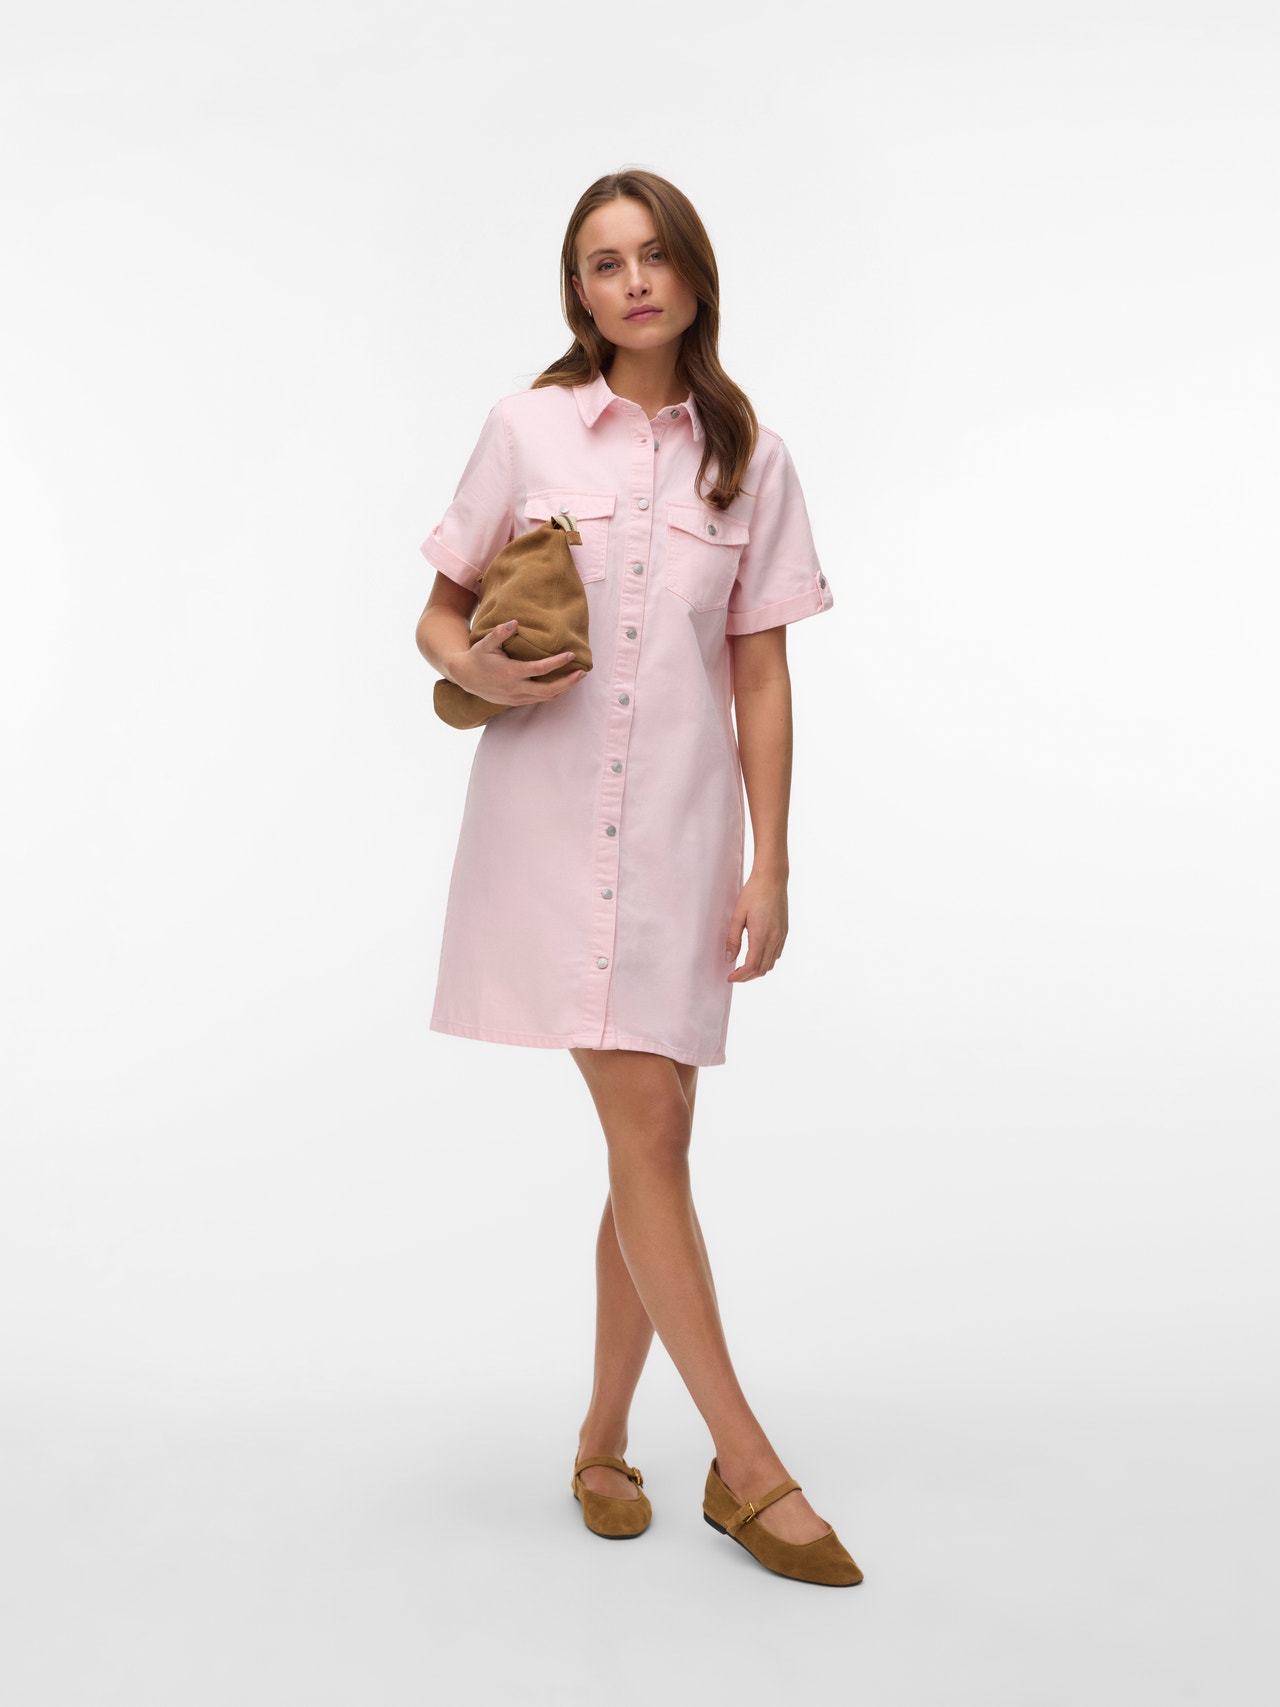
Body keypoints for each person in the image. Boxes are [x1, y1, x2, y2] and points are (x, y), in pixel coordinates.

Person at [414, 169, 861, 1587]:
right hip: (549, 831)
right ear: (579, 292)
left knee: (650, 1141)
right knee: (651, 1129)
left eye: (654, 255)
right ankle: (748, 1466)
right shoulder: (526, 427)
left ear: (693, 273)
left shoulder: (753, 458)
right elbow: (438, 609)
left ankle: (605, 1440)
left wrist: (772, 859)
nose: (634, 282)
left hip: (680, 834)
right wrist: (472, 668)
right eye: (604, 263)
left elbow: (761, 670)